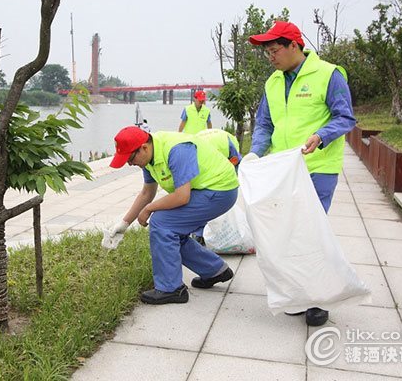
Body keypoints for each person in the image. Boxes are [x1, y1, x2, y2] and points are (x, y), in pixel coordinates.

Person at [242, 20, 356, 326]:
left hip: (318, 168)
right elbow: (265, 123)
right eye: (267, 52)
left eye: (274, 50)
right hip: (284, 170)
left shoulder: (328, 74)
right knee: (289, 233)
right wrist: (255, 151)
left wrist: (321, 136)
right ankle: (298, 293)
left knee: (312, 234)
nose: (270, 57)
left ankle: (318, 300)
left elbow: (346, 117)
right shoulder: (273, 83)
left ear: (295, 46)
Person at [105, 126, 239, 305]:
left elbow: (182, 197)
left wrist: (149, 209)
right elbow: (147, 193)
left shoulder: (177, 150)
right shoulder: (149, 157)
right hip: (205, 189)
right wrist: (124, 223)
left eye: (130, 158)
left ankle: (171, 289)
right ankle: (214, 270)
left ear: (144, 147)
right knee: (171, 228)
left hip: (219, 190)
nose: (130, 164)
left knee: (162, 223)